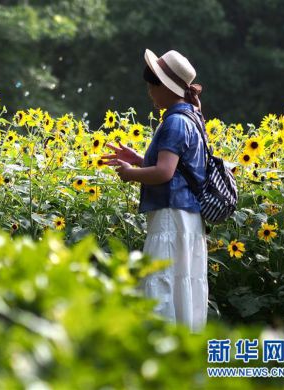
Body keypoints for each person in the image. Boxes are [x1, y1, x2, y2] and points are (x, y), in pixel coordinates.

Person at [102, 49, 208, 333]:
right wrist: (139, 159)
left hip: (171, 216)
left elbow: (164, 173)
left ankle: (161, 352)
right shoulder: (192, 118)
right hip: (188, 217)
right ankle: (185, 353)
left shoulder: (174, 122)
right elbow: (176, 166)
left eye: (153, 83)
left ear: (167, 88)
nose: (149, 91)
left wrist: (130, 174)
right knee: (183, 285)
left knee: (162, 283)